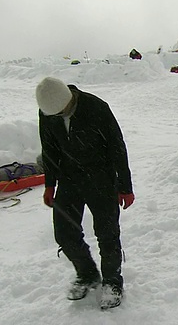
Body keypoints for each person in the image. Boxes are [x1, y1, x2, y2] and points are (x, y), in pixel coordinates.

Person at [35, 77, 135, 309]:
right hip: (69, 179)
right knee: (64, 233)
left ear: (68, 101)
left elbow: (117, 147)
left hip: (101, 178)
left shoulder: (96, 108)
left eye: (60, 113)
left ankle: (112, 282)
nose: (57, 118)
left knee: (107, 233)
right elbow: (48, 148)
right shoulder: (47, 113)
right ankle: (88, 273)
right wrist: (50, 184)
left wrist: (125, 186)